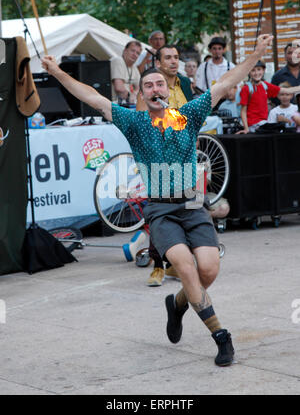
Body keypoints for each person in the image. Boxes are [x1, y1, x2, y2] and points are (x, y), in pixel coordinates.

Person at [41, 34, 275, 367]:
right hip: (161, 211)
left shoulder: (186, 116)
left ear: (169, 89)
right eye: (147, 86)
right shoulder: (134, 122)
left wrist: (256, 55)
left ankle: (177, 305)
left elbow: (223, 84)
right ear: (141, 94)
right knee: (186, 268)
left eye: (159, 85)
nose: (155, 90)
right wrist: (58, 73)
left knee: (208, 270)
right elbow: (93, 97)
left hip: (193, 206)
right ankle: (221, 336)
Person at [136, 45, 193, 286]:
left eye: (176, 57)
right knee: (159, 210)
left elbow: (190, 122)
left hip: (183, 155)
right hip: (156, 157)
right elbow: (142, 124)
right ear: (158, 63)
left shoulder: (184, 84)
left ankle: (175, 265)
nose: (173, 62)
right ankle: (158, 265)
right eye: (168, 58)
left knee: (189, 206)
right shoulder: (151, 87)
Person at [238, 60, 300, 134]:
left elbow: (284, 90)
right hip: (253, 124)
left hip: (264, 122)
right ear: (249, 72)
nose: (256, 73)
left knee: (282, 128)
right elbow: (243, 111)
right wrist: (246, 128)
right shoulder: (246, 88)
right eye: (253, 70)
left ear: (263, 70)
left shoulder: (265, 85)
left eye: (259, 70)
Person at [110, 41, 142, 105]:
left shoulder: (134, 67)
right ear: (125, 50)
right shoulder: (118, 60)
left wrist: (134, 94)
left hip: (126, 103)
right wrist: (132, 97)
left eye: (138, 53)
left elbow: (140, 88)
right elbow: (119, 88)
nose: (135, 54)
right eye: (132, 51)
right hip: (114, 104)